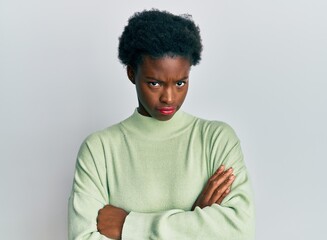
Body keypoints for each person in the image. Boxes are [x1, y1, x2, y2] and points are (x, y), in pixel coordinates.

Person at [68, 9, 255, 240]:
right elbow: (83, 237)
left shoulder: (215, 139)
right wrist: (195, 221)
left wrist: (129, 226)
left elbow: (240, 231)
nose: (169, 97)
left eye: (180, 82)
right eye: (154, 83)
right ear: (131, 73)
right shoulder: (99, 150)